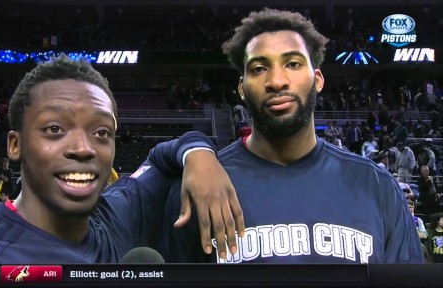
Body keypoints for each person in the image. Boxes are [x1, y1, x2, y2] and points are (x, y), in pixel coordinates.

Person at [159, 8, 423, 263]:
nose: (276, 81)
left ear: (317, 79)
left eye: (293, 63)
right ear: (242, 88)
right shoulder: (201, 188)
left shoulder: (378, 186)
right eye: (259, 68)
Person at [0, 55, 243, 264]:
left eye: (101, 132)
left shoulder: (118, 207)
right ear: (15, 144)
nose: (84, 148)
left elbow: (162, 157)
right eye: (55, 129)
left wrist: (198, 153)